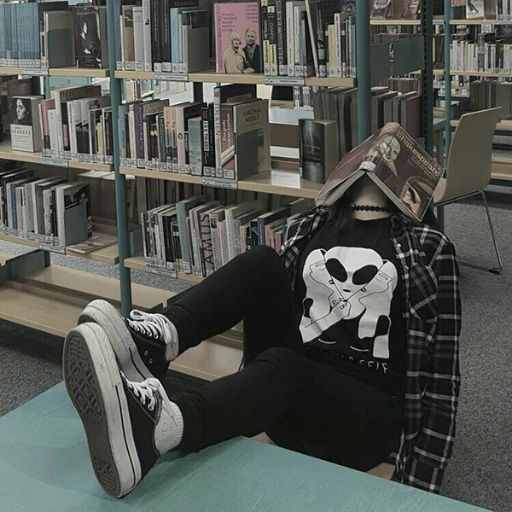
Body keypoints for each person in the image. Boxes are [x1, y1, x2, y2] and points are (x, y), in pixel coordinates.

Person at [63, 175, 461, 499]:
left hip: (363, 419)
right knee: (261, 262)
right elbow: (262, 299)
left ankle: (160, 429)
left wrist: (418, 491)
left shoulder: (427, 246)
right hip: (289, 397)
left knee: (285, 368)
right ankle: (156, 341)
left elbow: (443, 377)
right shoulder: (313, 225)